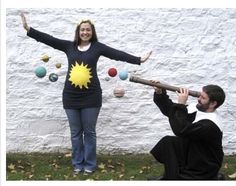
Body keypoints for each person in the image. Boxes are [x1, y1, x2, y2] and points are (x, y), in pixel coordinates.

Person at [20, 12, 152, 175]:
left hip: (91, 96)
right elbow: (50, 40)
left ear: (92, 31)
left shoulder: (98, 47)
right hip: (70, 96)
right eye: (82, 30)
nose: (85, 32)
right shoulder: (69, 46)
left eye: (88, 30)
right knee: (75, 133)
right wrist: (29, 29)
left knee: (89, 132)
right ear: (78, 31)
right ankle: (77, 163)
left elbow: (117, 54)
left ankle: (89, 164)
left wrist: (138, 59)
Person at [150, 83, 225, 180]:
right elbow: (172, 112)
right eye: (200, 95)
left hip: (203, 164)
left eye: (203, 98)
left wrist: (181, 104)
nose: (198, 99)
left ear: (213, 103)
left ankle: (171, 179)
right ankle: (169, 176)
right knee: (169, 142)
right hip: (193, 151)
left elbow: (181, 129)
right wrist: (160, 93)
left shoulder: (210, 124)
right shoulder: (198, 109)